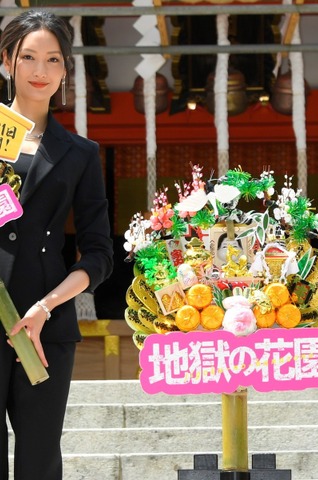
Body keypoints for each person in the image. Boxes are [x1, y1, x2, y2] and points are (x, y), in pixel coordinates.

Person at [0, 10, 113, 480]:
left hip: (42, 329)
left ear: (66, 69)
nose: (39, 71)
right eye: (27, 57)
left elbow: (99, 253)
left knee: (39, 462)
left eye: (52, 59)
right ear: (6, 61)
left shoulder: (80, 153)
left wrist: (48, 305)